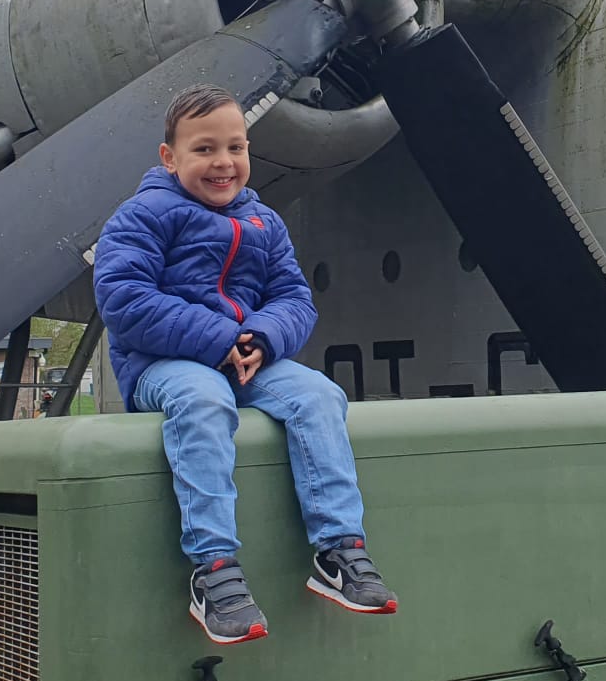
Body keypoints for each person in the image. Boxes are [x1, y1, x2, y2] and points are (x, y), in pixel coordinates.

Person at [93, 84, 397, 644]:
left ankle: (338, 550)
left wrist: (264, 338)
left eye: (235, 147)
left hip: (247, 359)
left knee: (320, 396)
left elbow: (294, 298)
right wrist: (219, 338)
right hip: (163, 364)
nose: (223, 162)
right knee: (203, 400)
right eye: (204, 149)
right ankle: (213, 570)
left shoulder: (265, 223)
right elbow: (124, 300)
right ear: (169, 157)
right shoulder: (141, 216)